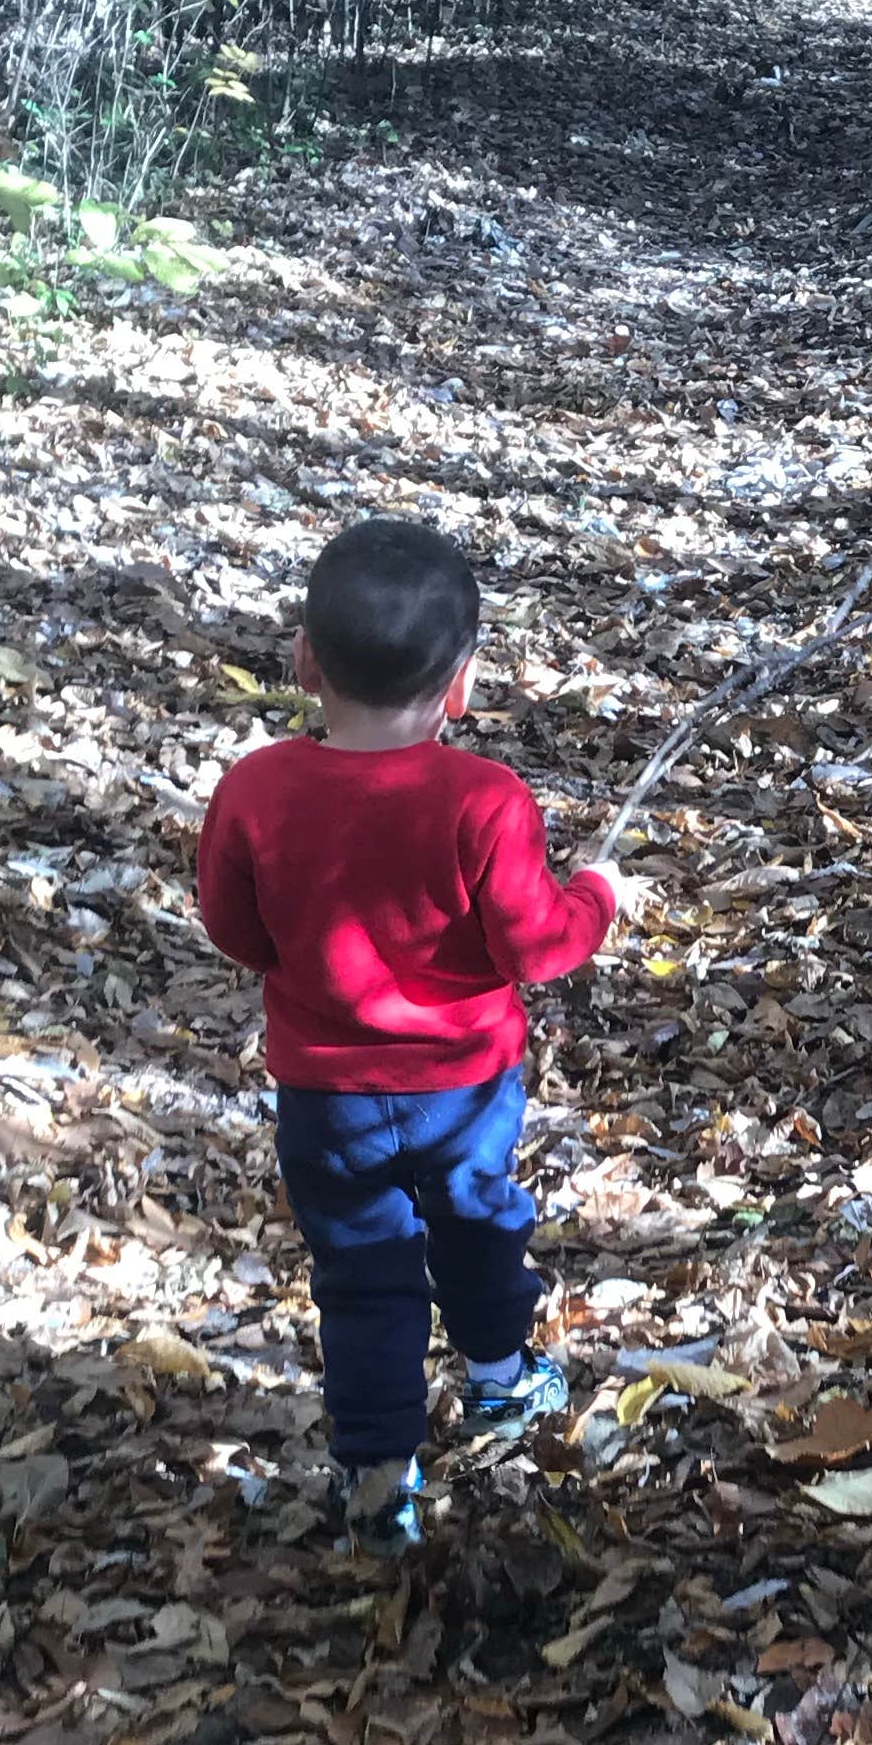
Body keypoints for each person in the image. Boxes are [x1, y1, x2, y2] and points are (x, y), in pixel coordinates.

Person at [196, 516, 644, 1552]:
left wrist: (303, 966)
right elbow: (536, 945)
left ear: (305, 661)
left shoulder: (255, 791)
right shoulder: (483, 801)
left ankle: (376, 1473)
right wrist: (599, 898)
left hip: (325, 1097)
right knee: (479, 1219)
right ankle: (497, 1379)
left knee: (361, 1277)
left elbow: (236, 930)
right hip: (466, 1088)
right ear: (463, 686)